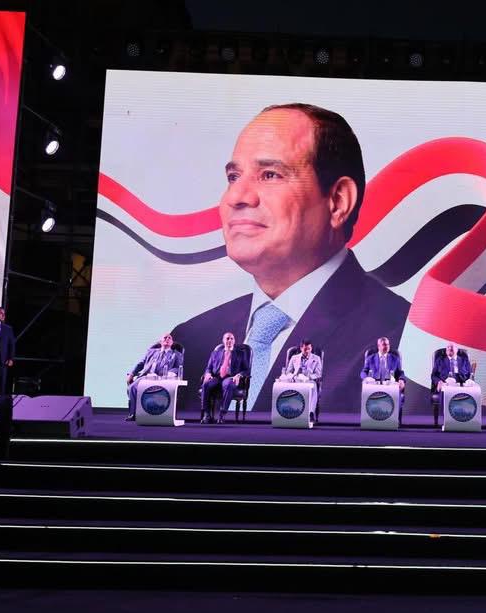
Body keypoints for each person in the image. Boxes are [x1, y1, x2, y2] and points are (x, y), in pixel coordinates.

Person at [170, 103, 410, 415]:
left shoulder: (404, 339)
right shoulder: (191, 339)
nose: (236, 197)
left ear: (338, 201)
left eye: (270, 175)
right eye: (233, 176)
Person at [125, 333, 184, 421]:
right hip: (147, 377)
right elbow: (141, 363)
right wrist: (131, 374)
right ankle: (133, 413)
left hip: (164, 378)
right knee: (132, 388)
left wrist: (171, 373)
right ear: (160, 341)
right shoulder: (151, 352)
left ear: (172, 342)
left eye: (169, 338)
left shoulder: (176, 354)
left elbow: (178, 367)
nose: (167, 339)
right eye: (165, 337)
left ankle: (164, 415)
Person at [201, 332, 251, 424]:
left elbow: (246, 370)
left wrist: (239, 375)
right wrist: (208, 374)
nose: (230, 340)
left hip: (231, 377)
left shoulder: (240, 354)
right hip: (216, 377)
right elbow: (208, 368)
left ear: (234, 341)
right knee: (206, 384)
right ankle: (207, 414)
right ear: (223, 340)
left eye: (232, 339)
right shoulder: (215, 353)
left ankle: (222, 414)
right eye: (227, 338)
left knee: (228, 384)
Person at [286, 339, 323, 419]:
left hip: (309, 380)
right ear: (301, 348)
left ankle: (311, 413)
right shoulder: (294, 357)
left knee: (314, 388)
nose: (307, 351)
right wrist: (293, 376)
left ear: (311, 348)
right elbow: (288, 372)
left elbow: (318, 374)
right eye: (305, 349)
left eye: (309, 349)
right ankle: (289, 412)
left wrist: (309, 377)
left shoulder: (316, 358)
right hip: (296, 379)